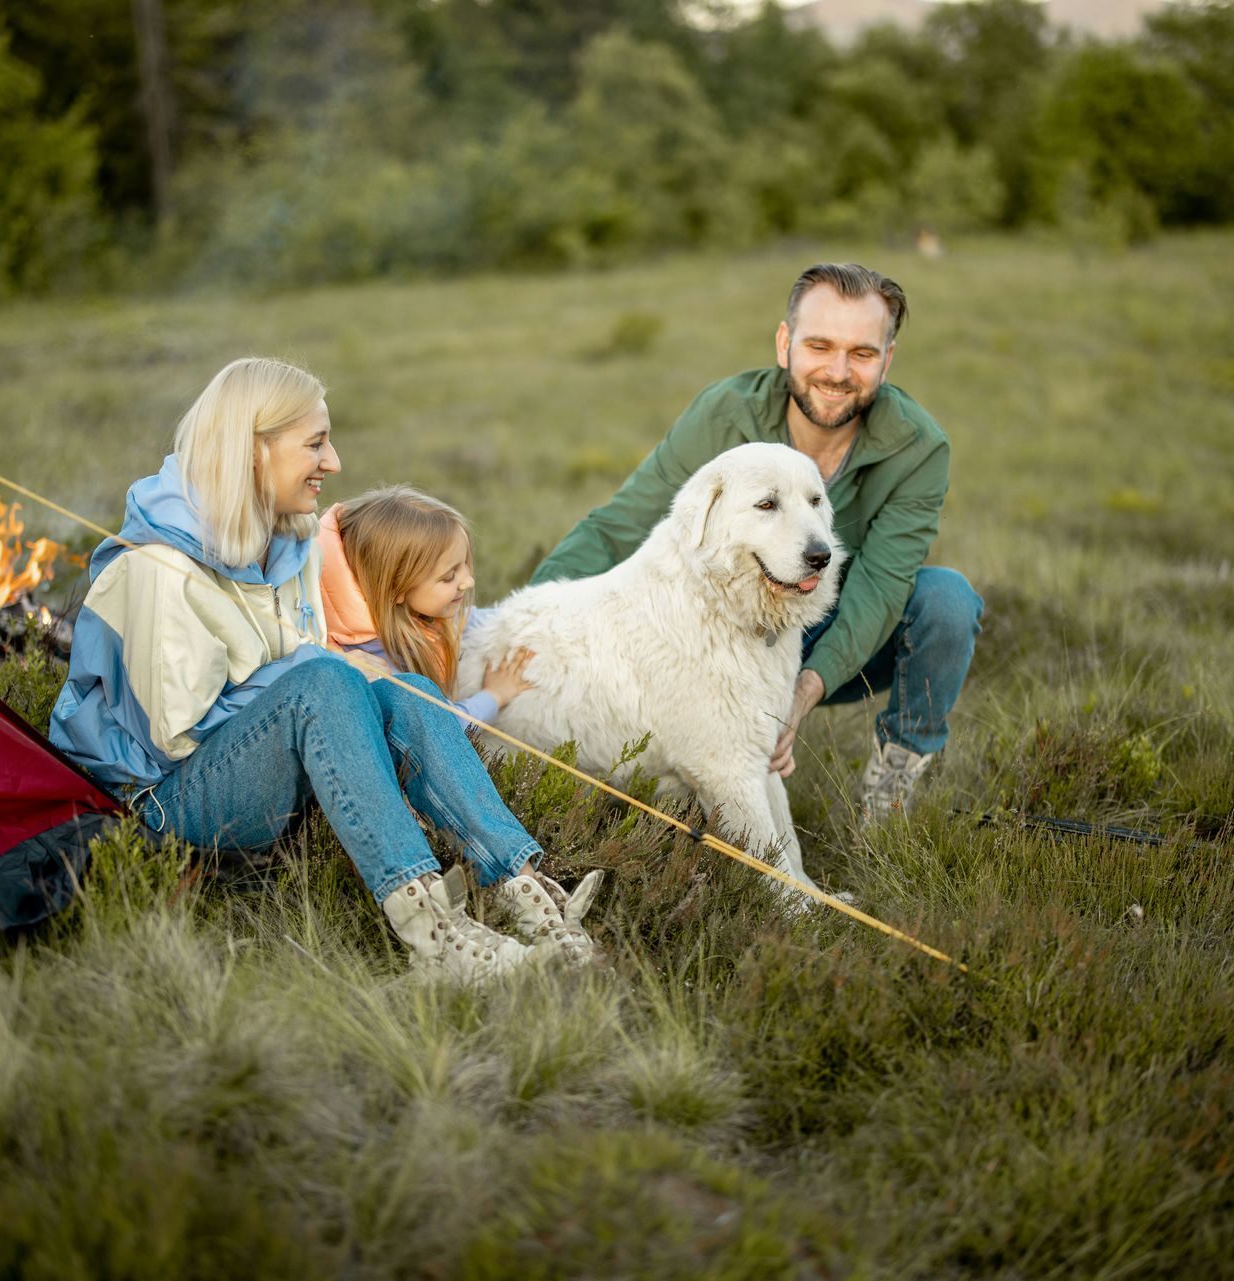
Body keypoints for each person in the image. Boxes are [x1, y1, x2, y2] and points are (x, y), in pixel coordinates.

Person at [49, 357, 599, 976]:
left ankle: (529, 895)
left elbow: (313, 651)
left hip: (252, 768)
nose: (333, 462)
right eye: (315, 443)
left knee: (409, 690)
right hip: (154, 804)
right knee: (327, 679)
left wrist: (359, 675)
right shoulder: (158, 567)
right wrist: (328, 673)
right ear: (254, 450)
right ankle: (435, 937)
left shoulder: (287, 543)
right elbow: (173, 735)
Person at [531, 263, 983, 822]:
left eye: (862, 354)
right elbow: (617, 527)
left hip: (838, 622)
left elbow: (882, 588)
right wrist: (527, 635)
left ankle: (894, 783)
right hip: (732, 624)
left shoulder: (920, 447)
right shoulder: (725, 413)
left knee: (948, 601)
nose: (838, 371)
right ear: (784, 343)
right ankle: (681, 772)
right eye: (819, 345)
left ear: (887, 360)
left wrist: (797, 696)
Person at [316, 484, 536, 728]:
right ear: (397, 588)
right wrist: (494, 696)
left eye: (465, 564)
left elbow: (482, 619)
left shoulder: (424, 612)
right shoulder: (371, 663)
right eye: (448, 577)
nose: (468, 581)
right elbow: (438, 727)